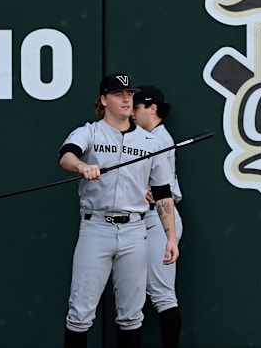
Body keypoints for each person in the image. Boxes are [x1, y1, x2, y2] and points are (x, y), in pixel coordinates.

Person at [60, 73, 179, 348]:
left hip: (135, 231)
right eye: (118, 94)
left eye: (129, 95)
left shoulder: (152, 143)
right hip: (96, 226)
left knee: (131, 316)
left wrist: (170, 237)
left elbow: (163, 193)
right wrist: (81, 166)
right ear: (104, 100)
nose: (126, 99)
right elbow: (66, 154)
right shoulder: (89, 132)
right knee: (79, 313)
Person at [132, 85, 184, 348]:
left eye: (136, 107)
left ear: (152, 108)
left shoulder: (159, 139)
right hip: (140, 220)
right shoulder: (140, 138)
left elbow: (163, 191)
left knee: (162, 295)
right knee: (132, 297)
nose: (131, 111)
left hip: (160, 219)